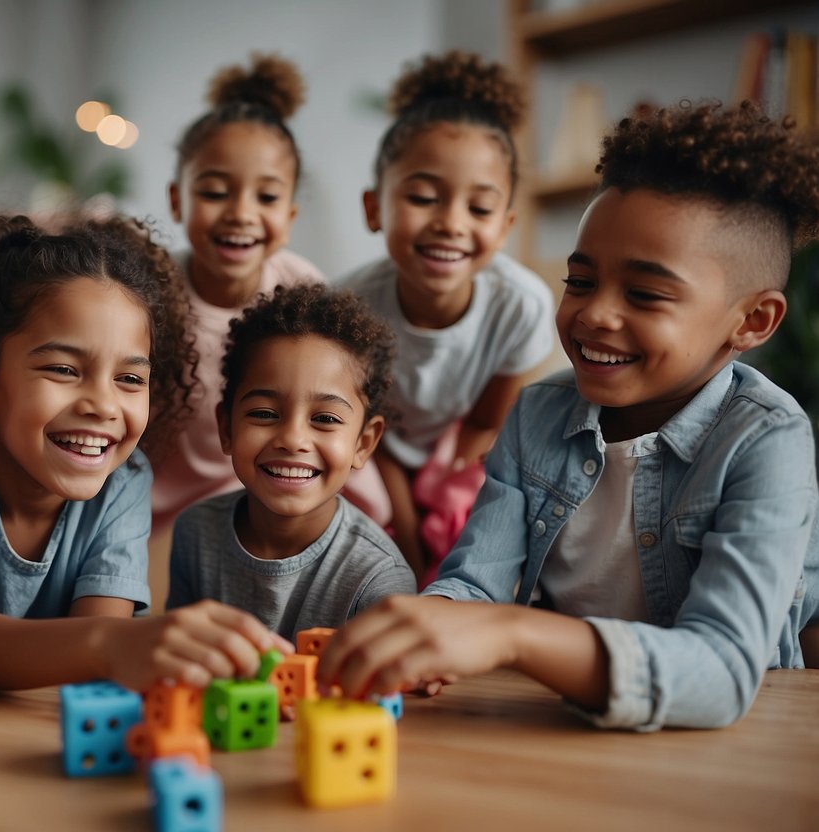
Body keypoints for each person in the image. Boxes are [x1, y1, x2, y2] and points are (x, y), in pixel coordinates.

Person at [317, 100, 819, 731]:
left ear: (753, 321)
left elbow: (721, 673)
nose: (594, 314)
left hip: (727, 750)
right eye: (580, 282)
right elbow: (477, 582)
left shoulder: (767, 439)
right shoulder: (536, 414)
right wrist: (430, 624)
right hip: (556, 725)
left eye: (644, 294)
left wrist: (512, 634)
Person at [0, 213, 289, 692]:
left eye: (130, 379)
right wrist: (113, 645)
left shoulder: (124, 482)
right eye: (64, 369)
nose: (102, 405)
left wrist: (128, 649)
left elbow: (98, 652)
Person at [151, 53, 390, 545]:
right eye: (216, 192)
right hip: (161, 510)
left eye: (266, 197)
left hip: (273, 488)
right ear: (177, 199)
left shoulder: (301, 289)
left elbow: (336, 401)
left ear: (291, 212)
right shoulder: (150, 291)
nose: (241, 213)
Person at [341, 51, 555, 582]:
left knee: (486, 508)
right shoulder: (346, 308)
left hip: (459, 452)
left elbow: (485, 424)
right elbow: (360, 434)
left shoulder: (520, 305)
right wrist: (410, 541)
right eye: (423, 197)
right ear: (375, 208)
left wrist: (445, 499)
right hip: (367, 454)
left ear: (504, 226)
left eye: (479, 209)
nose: (451, 224)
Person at [167, 284, 417, 643]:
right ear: (227, 428)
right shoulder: (195, 532)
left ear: (363, 443)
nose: (293, 439)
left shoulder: (379, 577)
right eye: (265, 413)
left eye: (326, 419)